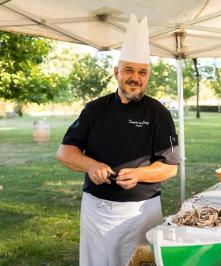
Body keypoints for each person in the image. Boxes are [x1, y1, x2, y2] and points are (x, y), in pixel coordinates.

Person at [56, 14, 179, 266]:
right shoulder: (95, 109)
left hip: (141, 213)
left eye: (142, 72)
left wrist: (139, 174)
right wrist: (90, 165)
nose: (135, 77)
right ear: (116, 72)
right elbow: (65, 152)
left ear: (148, 76)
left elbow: (170, 166)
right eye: (129, 70)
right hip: (96, 211)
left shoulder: (158, 113)